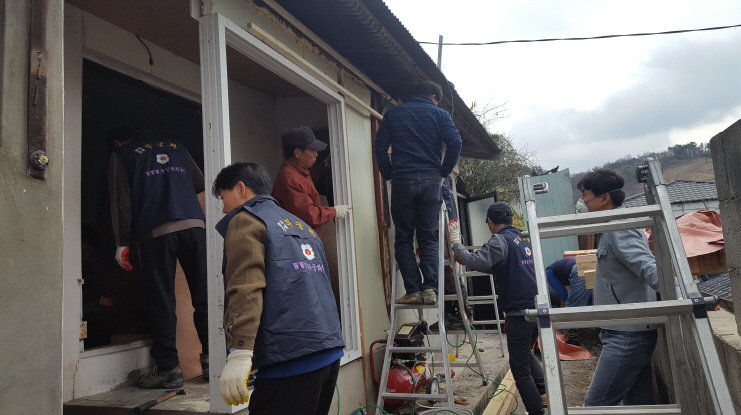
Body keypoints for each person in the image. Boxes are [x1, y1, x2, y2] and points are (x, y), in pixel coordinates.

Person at [213, 162, 345, 414]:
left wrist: (239, 351)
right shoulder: (301, 226)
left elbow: (245, 288)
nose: (223, 208)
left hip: (290, 360)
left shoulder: (246, 221)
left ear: (240, 188)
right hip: (327, 353)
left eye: (222, 197)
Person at [107, 127, 208, 388]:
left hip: (156, 230)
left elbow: (121, 201)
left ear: (118, 142)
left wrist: (121, 242)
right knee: (204, 295)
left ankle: (168, 369)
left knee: (162, 300)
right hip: (195, 225)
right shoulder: (177, 146)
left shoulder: (122, 154)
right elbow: (199, 183)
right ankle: (213, 361)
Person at [449, 202, 546, 415]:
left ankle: (537, 411)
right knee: (525, 355)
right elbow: (502, 265)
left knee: (519, 369)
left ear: (490, 222)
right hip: (537, 308)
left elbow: (476, 261)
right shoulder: (523, 238)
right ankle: (544, 394)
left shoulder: (500, 240)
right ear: (511, 219)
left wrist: (456, 243)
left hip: (520, 313)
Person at [375, 81, 462, 305]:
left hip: (402, 180)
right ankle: (430, 289)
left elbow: (380, 148)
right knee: (428, 238)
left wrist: (389, 174)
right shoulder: (441, 115)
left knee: (404, 238)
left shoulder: (394, 114)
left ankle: (413, 290)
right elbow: (455, 143)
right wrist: (442, 173)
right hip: (431, 181)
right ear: (433, 97)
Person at [577, 169, 660, 407]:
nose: (582, 202)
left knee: (596, 405)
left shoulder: (619, 227)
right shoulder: (611, 227)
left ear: (604, 198)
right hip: (626, 329)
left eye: (585, 195)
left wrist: (686, 295)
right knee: (639, 404)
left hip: (628, 334)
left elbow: (647, 265)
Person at [272, 126, 351, 238]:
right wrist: (335, 212)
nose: (316, 154)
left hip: (307, 238)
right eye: (313, 150)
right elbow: (308, 214)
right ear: (297, 153)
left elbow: (312, 175)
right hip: (299, 240)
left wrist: (326, 162)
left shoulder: (299, 172)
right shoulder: (289, 178)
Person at [546, 256, 592, 345]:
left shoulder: (548, 273)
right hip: (588, 265)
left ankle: (573, 336)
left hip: (579, 269)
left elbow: (563, 294)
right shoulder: (558, 269)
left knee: (573, 304)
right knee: (587, 298)